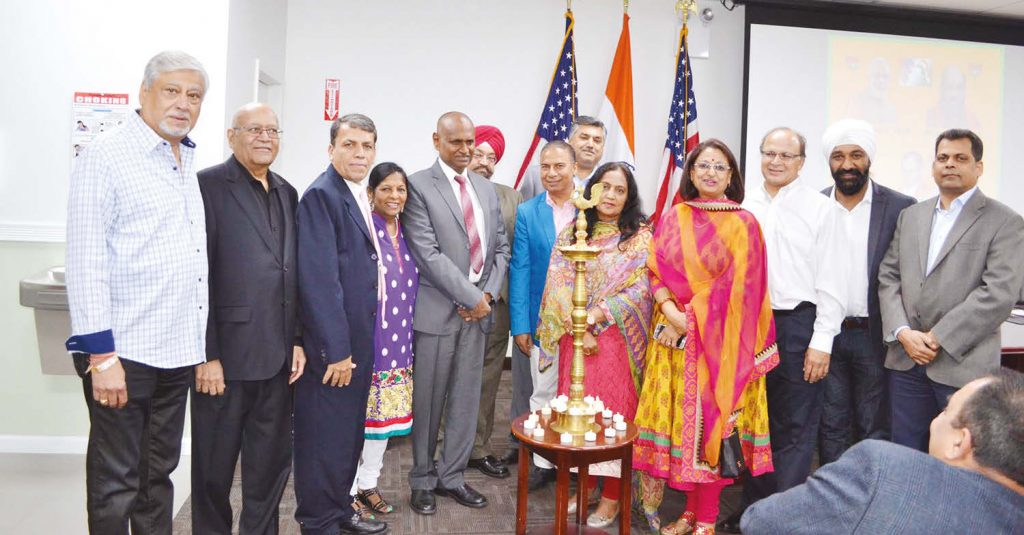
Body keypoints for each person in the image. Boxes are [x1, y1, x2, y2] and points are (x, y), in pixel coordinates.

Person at [65, 50, 209, 534]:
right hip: (123, 355)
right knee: (116, 482)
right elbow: (86, 263)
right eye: (171, 91)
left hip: (174, 353)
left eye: (193, 96)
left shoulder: (185, 158)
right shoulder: (106, 156)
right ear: (143, 92)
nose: (182, 104)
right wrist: (101, 358)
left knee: (158, 477)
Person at [634, 139, 779, 535]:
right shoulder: (674, 216)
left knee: (715, 427)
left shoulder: (744, 222)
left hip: (724, 344)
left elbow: (745, 286)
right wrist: (668, 309)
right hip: (674, 342)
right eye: (704, 166)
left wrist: (692, 318)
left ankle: (708, 520)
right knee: (686, 431)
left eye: (720, 166)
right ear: (692, 173)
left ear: (731, 176)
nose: (711, 173)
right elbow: (655, 271)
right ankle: (688, 514)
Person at [722, 127, 847, 533]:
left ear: (802, 163)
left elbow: (833, 279)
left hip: (797, 325)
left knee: (794, 426)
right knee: (752, 420)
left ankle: (783, 516)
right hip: (746, 325)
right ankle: (752, 508)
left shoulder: (821, 208)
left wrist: (822, 341)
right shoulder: (742, 205)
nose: (776, 161)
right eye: (769, 153)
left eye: (786, 156)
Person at [192, 102, 306, 534]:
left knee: (269, 469)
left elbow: (290, 275)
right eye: (254, 129)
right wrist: (206, 354)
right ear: (231, 135)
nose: (265, 138)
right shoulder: (206, 187)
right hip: (224, 362)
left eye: (273, 131)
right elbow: (197, 276)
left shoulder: (286, 191)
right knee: (212, 474)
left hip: (277, 361)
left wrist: (296, 339)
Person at [878, 128, 1024, 452]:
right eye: (943, 158)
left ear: (979, 167)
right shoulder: (911, 215)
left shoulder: (1005, 221)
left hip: (962, 364)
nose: (950, 165)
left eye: (961, 158)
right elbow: (888, 276)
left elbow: (999, 293)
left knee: (960, 458)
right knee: (906, 452)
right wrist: (903, 332)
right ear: (933, 166)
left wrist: (936, 338)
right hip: (906, 360)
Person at [740, 369, 1024, 533]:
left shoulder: (885, 473)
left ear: (959, 443)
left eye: (946, 411)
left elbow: (760, 522)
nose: (935, 419)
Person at [403, 111, 510, 515]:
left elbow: (500, 247)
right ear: (436, 141)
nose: (465, 150)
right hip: (438, 313)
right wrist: (471, 297)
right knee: (429, 401)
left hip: (479, 313)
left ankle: (452, 477)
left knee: (468, 398)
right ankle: (423, 479)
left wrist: (486, 296)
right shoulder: (417, 185)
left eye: (470, 142)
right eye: (456, 143)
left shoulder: (485, 188)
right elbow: (426, 252)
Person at [536, 161, 653, 528]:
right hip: (576, 338)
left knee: (612, 417)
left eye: (620, 190)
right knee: (578, 413)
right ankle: (585, 486)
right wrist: (578, 325)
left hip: (616, 340)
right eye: (605, 188)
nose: (612, 196)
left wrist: (599, 314)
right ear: (592, 190)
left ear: (629, 195)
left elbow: (642, 289)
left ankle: (612, 496)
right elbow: (557, 282)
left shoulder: (639, 237)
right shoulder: (574, 232)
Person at [293, 114, 387, 535]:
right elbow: (318, 280)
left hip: (356, 342)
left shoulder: (355, 193)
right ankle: (317, 521)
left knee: (346, 436)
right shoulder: (321, 195)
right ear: (331, 149)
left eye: (366, 145)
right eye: (349, 144)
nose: (359, 153)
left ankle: (338, 512)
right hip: (335, 351)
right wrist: (338, 351)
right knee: (323, 441)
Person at [817, 119, 915, 464]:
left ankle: (871, 498)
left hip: (874, 335)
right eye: (838, 156)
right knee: (830, 425)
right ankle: (833, 498)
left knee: (874, 423)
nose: (847, 164)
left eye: (856, 155)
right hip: (825, 336)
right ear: (828, 162)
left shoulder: (902, 207)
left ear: (869, 159)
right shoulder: (813, 205)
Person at [348, 162, 419, 516]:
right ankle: (346, 493)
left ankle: (367, 485)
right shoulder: (365, 230)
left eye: (400, 189)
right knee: (357, 420)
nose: (394, 196)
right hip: (368, 341)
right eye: (387, 189)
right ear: (372, 193)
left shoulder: (407, 231)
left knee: (384, 422)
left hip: (400, 344)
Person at [509, 140, 580, 490]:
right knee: (543, 392)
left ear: (575, 168)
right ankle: (543, 463)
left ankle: (581, 464)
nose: (551, 174)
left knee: (582, 392)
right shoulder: (528, 211)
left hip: (585, 322)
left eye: (559, 166)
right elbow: (520, 269)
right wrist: (521, 325)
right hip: (543, 323)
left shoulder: (592, 208)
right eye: (545, 167)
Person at [466, 125, 522, 478]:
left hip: (496, 304)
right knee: (450, 377)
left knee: (488, 379)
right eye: (479, 154)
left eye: (492, 157)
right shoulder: (447, 193)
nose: (485, 163)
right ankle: (442, 446)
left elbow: (516, 250)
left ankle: (478, 447)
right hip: (454, 304)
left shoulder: (511, 197)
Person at [518, 116, 606, 200]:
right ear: (570, 141)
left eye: (597, 140)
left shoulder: (609, 181)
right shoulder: (536, 175)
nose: (590, 145)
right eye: (584, 138)